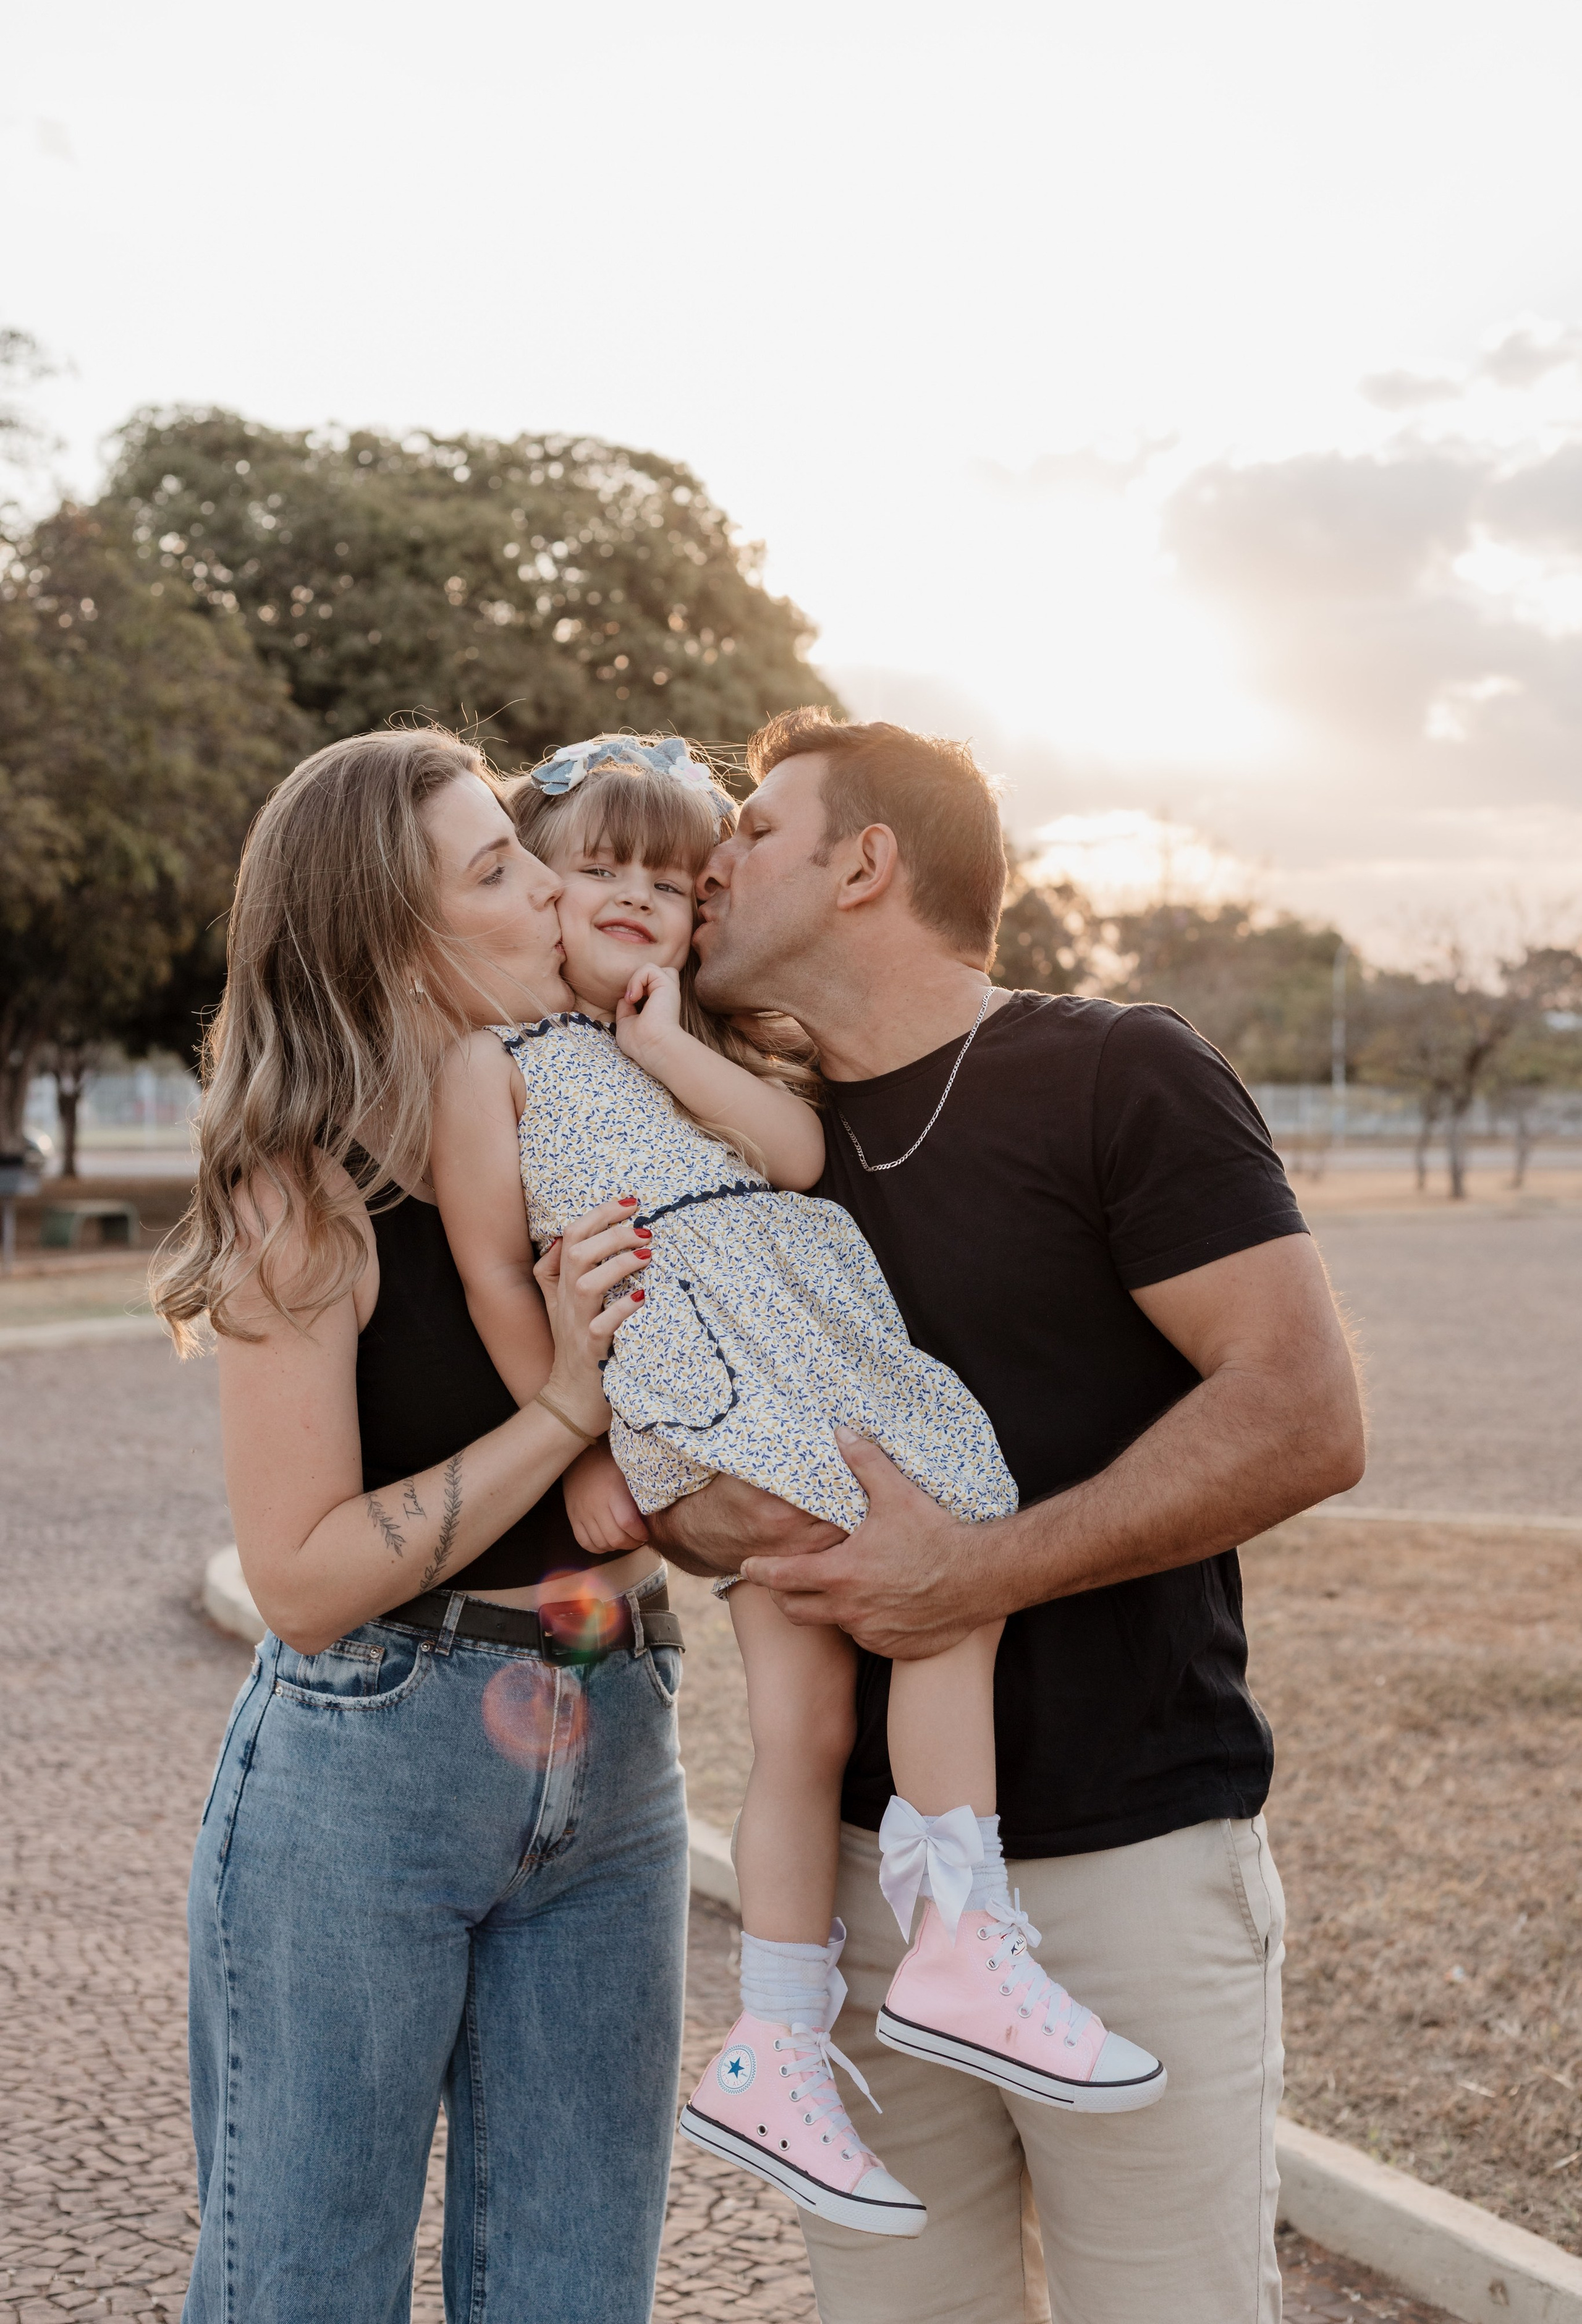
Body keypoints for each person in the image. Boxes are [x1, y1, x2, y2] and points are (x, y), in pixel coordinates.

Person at [647, 708, 1366, 2324]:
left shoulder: (1120, 1076)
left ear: (865, 864)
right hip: (854, 1898)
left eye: (756, 829)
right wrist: (716, 1519)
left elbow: (1304, 1411)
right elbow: (686, 1484)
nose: (713, 861)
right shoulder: (741, 1150)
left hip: (1128, 1882)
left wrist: (976, 1574)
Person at [428, 735, 1165, 2239]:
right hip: (701, 1378)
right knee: (943, 1580)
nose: (636, 896)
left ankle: (773, 2041)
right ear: (536, 894)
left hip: (802, 1351)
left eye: (673, 877)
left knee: (809, 1726)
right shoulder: (486, 1067)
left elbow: (798, 1155)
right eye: (596, 869)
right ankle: (958, 1937)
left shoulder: (699, 1051)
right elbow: (496, 1279)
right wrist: (580, 1452)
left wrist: (665, 1044)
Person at [153, 731, 689, 2324]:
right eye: (497, 872)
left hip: (616, 1730)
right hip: (367, 1773)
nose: (553, 884)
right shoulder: (296, 1191)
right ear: (398, 941)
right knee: (302, 2292)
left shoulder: (594, 1114)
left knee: (574, 2300)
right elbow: (302, 1580)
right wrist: (563, 1409)